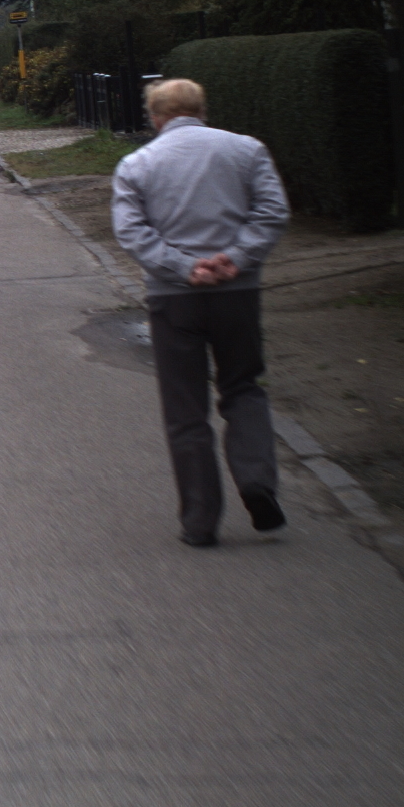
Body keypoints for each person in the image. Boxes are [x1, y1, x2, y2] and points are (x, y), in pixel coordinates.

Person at [111, 79, 290, 547]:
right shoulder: (247, 150)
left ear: (155, 118)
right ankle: (257, 482)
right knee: (243, 387)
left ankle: (200, 519)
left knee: (185, 408)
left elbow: (131, 232)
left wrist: (184, 267)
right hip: (237, 292)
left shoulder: (137, 164)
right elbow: (272, 212)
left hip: (174, 298)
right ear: (202, 110)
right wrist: (236, 258)